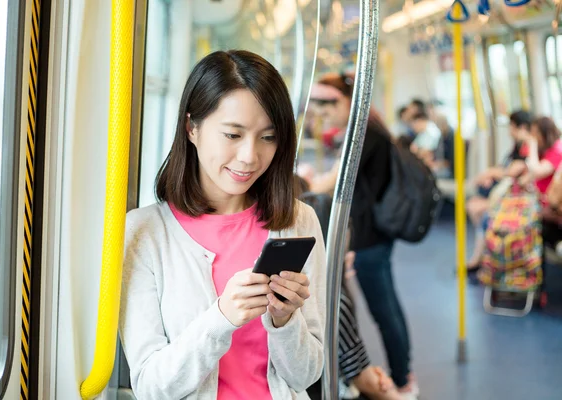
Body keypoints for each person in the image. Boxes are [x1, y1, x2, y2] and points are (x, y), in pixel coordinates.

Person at [119, 50, 327, 400]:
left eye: (268, 137)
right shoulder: (145, 233)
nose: (250, 156)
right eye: (233, 135)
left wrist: (285, 322)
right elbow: (151, 386)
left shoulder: (297, 221)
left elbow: (306, 375)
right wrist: (221, 318)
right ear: (192, 128)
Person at [303, 72, 419, 400]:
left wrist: (302, 185)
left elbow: (338, 179)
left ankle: (403, 380)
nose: (325, 115)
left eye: (329, 107)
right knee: (374, 307)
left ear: (346, 102)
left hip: (371, 237)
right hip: (370, 232)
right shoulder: (368, 128)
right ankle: (389, 376)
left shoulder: (364, 133)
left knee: (383, 310)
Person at [465, 110, 532, 273]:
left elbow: (513, 171)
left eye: (512, 126)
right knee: (474, 207)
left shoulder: (528, 149)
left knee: (478, 211)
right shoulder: (517, 147)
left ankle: (482, 257)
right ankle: (483, 255)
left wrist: (491, 173)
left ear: (521, 128)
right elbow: (506, 168)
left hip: (516, 199)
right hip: (506, 193)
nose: (509, 131)